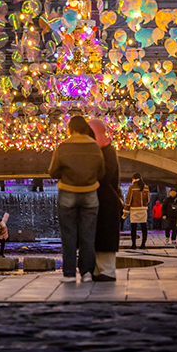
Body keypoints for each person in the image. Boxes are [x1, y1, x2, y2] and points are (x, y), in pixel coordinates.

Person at [48, 115, 105, 283]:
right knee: (88, 236)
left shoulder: (63, 147)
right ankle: (87, 273)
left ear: (70, 129)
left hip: (67, 193)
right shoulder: (95, 147)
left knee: (69, 235)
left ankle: (69, 274)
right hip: (90, 195)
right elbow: (101, 172)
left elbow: (53, 172)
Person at [88, 119, 122, 282]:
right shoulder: (101, 151)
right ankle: (97, 270)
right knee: (97, 237)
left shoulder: (107, 151)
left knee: (104, 236)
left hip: (106, 202)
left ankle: (107, 271)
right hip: (96, 201)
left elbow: (107, 175)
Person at [123, 173, 150, 250]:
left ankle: (134, 245)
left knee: (133, 228)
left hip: (134, 209)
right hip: (143, 209)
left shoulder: (131, 188)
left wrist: (126, 210)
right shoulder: (146, 187)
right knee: (144, 227)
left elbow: (128, 200)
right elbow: (148, 200)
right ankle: (143, 244)